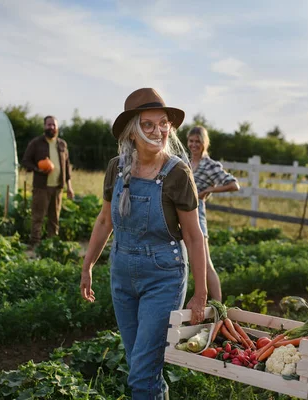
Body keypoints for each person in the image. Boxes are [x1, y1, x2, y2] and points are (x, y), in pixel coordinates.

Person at [79, 88, 207, 400]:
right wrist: (88, 265)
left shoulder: (177, 172)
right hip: (121, 272)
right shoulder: (116, 167)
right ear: (131, 132)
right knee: (142, 363)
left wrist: (201, 292)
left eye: (163, 123)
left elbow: (193, 235)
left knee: (141, 375)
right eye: (147, 125)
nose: (158, 130)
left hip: (163, 274)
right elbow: (105, 220)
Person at [186, 126, 240, 301]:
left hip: (197, 213)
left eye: (198, 141)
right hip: (179, 214)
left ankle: (218, 307)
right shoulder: (183, 161)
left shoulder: (210, 165)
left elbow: (234, 184)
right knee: (184, 262)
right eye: (191, 141)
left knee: (204, 262)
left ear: (204, 143)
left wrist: (210, 189)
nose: (194, 145)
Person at [21, 115, 74, 247]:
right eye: (49, 124)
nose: (51, 127)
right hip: (41, 187)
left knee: (54, 218)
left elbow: (67, 167)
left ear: (57, 128)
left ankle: (51, 244)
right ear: (44, 126)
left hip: (58, 187)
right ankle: (35, 243)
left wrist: (69, 187)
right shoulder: (36, 143)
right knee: (38, 216)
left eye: (53, 125)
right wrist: (38, 169)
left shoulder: (62, 144)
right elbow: (25, 161)